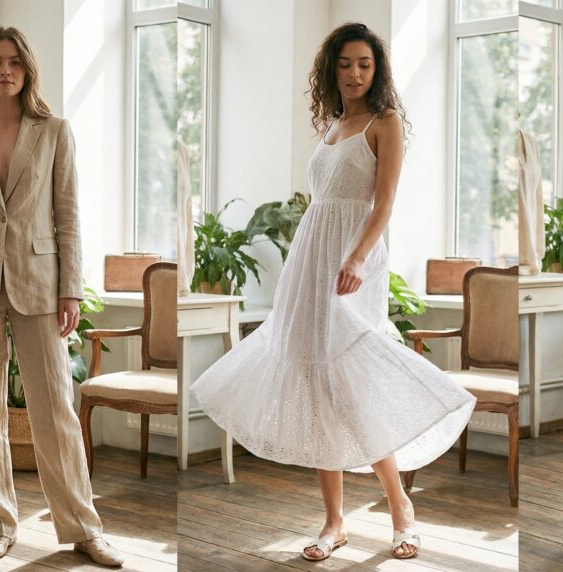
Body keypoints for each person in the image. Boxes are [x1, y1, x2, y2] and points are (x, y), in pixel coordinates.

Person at [189, 22, 476, 562]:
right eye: (345, 64)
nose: (354, 73)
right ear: (331, 69)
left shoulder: (385, 122)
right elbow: (321, 203)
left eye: (364, 64)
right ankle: (333, 522)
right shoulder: (333, 124)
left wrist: (357, 257)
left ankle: (401, 510)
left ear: (377, 69)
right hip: (311, 259)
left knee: (352, 384)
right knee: (316, 385)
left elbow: (383, 204)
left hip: (353, 259)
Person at [0, 27, 123, 567]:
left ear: (27, 70)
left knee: (56, 409)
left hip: (38, 281)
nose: (5, 70)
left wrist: (70, 289)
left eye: (14, 61)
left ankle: (84, 528)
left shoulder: (55, 131)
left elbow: (68, 217)